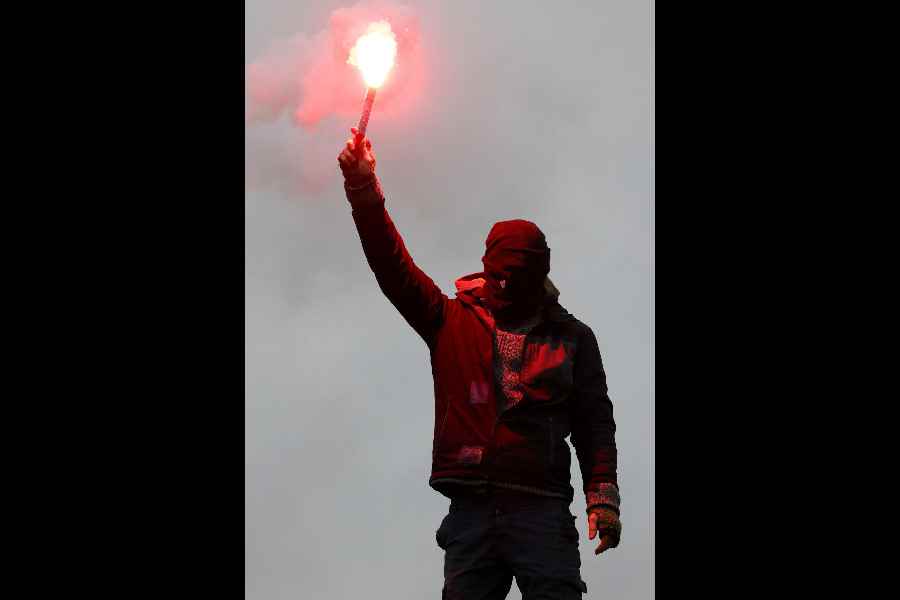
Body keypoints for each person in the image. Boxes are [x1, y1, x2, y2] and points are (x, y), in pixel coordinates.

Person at [337, 128, 621, 600]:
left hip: (542, 511)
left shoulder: (573, 340)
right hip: (472, 508)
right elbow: (391, 265)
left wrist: (603, 500)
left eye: (514, 282)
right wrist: (363, 189)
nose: (502, 290)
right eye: (496, 279)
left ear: (539, 277)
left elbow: (595, 425)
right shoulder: (449, 320)